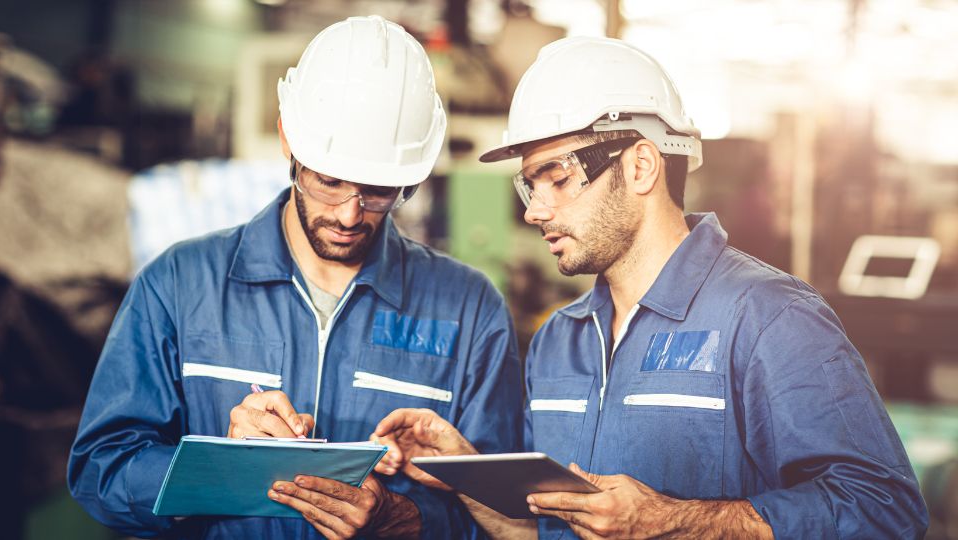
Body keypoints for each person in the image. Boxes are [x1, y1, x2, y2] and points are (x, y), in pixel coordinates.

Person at [372, 36, 929, 539]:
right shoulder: (557, 343)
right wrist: (465, 470)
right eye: (529, 185)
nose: (535, 211)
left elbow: (885, 509)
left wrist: (672, 521)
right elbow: (543, 532)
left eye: (558, 179)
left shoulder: (769, 318)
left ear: (640, 166)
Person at [68, 16, 522, 539]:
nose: (351, 214)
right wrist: (220, 467)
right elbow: (99, 473)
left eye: (378, 190)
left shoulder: (469, 309)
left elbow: (503, 519)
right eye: (329, 182)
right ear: (289, 141)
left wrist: (402, 520)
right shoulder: (177, 285)